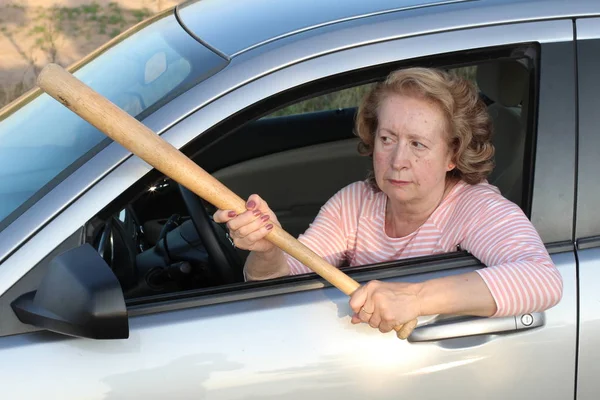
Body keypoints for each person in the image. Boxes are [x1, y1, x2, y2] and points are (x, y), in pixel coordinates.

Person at [213, 67, 563, 336]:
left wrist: (414, 298)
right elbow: (278, 285)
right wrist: (267, 249)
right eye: (387, 138)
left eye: (418, 144)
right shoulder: (355, 203)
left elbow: (541, 280)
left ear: (452, 155)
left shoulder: (475, 208)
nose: (397, 160)